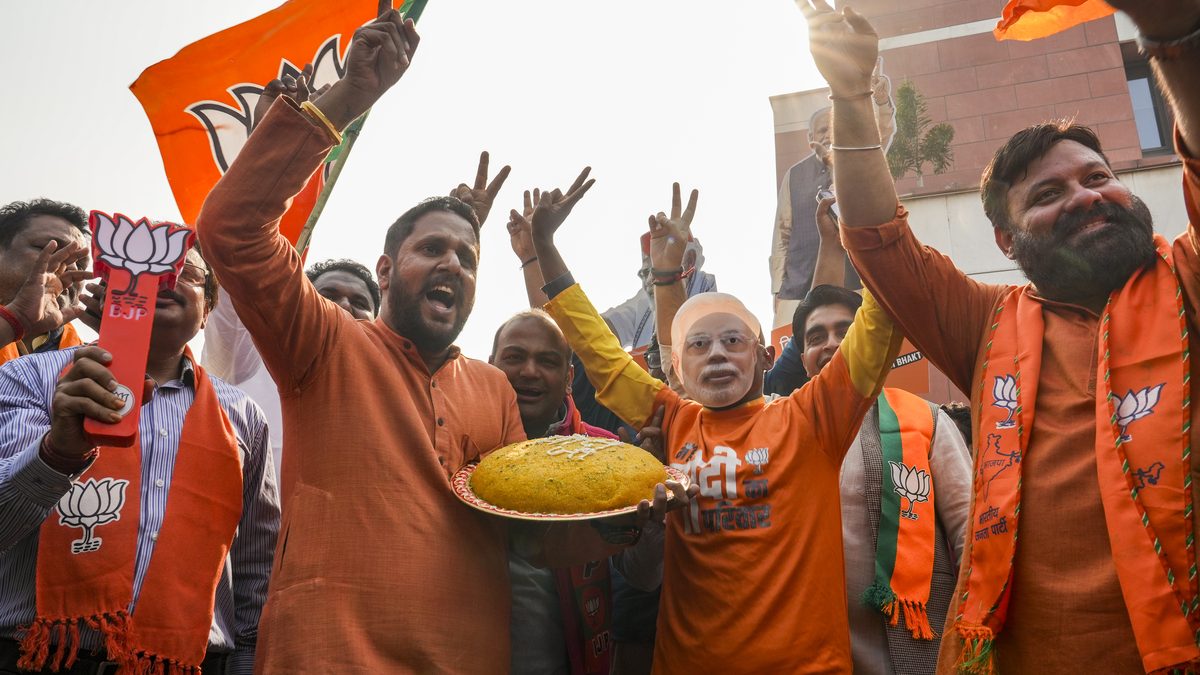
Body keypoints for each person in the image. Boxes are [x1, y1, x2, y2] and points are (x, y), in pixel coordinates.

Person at [195, 8, 668, 671]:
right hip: (330, 656)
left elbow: (520, 537)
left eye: (468, 257)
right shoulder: (324, 341)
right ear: (385, 270)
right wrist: (349, 99)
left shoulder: (491, 386)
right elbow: (230, 229)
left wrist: (621, 524)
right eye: (433, 249)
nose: (454, 264)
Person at [803, 0, 1200, 671]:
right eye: (1047, 195)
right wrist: (849, 97)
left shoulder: (1187, 278)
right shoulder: (988, 324)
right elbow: (877, 240)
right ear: (1005, 240)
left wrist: (1172, 36)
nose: (1083, 196)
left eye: (1098, 178)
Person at [529, 172, 903, 672]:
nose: (718, 355)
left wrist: (866, 221)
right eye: (699, 346)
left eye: (733, 341)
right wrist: (545, 249)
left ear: (765, 356)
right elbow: (599, 353)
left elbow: (882, 319)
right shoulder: (673, 420)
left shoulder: (813, 418)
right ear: (677, 369)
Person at [0, 244, 279, 675]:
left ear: (206, 311)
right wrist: (56, 454)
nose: (164, 278)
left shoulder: (243, 416)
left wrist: (247, 661)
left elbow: (254, 568)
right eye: (142, 270)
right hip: (38, 656)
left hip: (185, 665)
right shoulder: (29, 376)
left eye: (185, 272)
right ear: (105, 294)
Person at [796, 284, 971, 675]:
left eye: (846, 331)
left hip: (907, 650)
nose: (831, 344)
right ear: (803, 357)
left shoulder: (926, 420)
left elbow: (971, 532)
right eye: (815, 337)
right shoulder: (781, 428)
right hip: (806, 644)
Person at [489, 310, 673, 675]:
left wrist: (651, 517)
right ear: (489, 365)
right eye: (514, 357)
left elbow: (643, 576)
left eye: (547, 361)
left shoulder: (604, 453)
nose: (529, 371)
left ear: (569, 378)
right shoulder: (461, 446)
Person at [202, 257, 379, 487]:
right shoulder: (250, 358)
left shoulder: (393, 396)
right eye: (328, 295)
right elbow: (230, 286)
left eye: (360, 302)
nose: (344, 305)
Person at [0, 200, 91, 366]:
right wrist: (15, 321)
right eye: (49, 248)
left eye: (81, 263)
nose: (71, 266)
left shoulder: (94, 364)